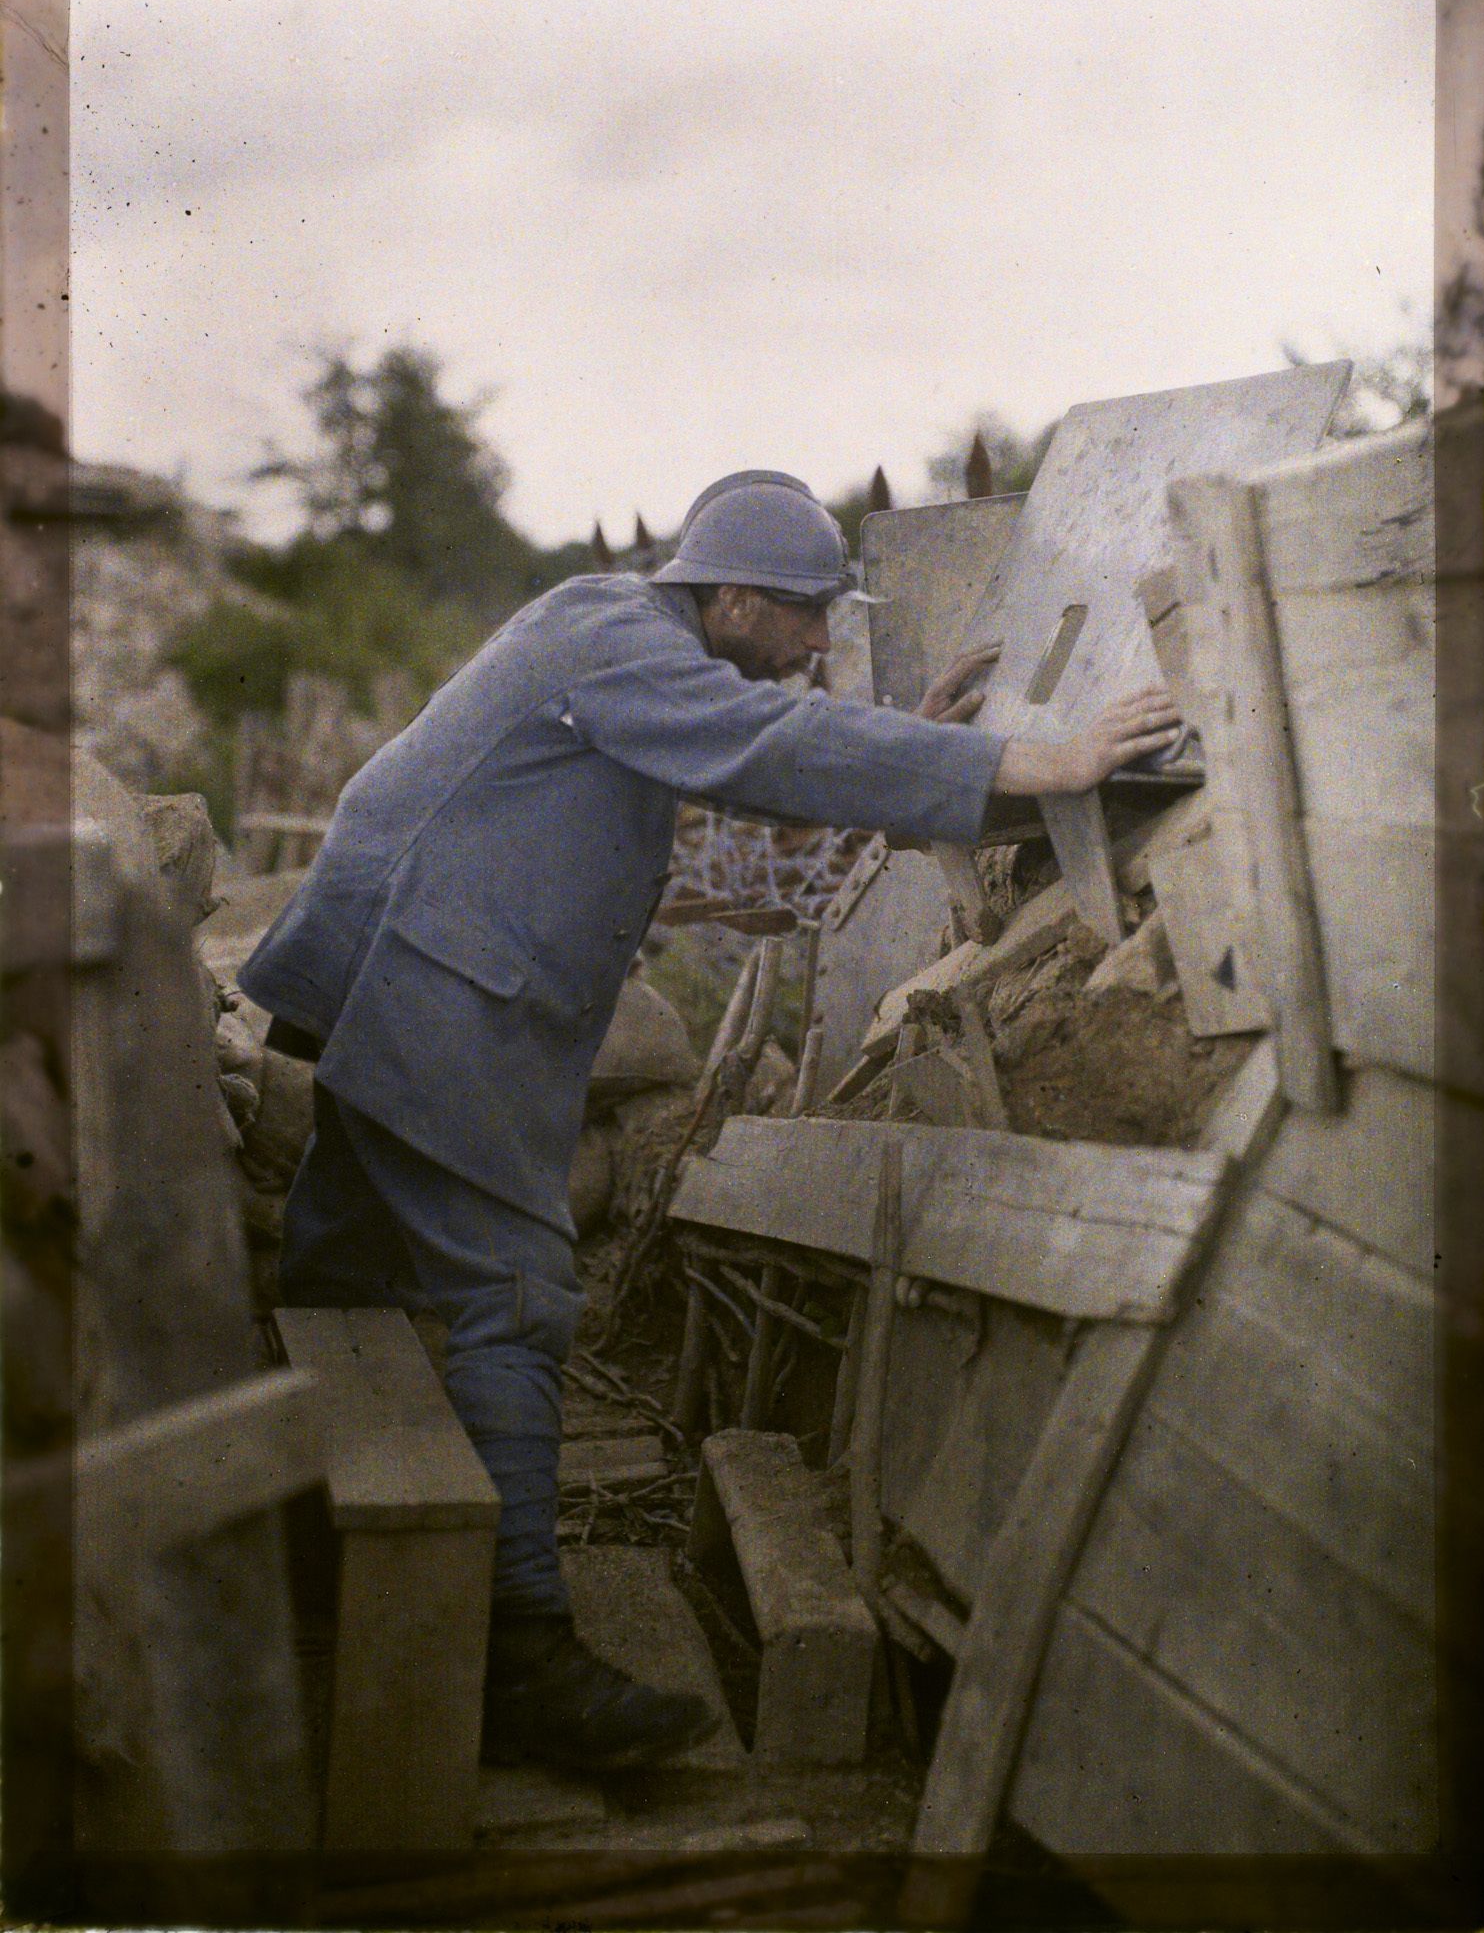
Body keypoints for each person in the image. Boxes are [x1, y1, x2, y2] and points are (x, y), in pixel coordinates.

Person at [241, 470, 1179, 1770]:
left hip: (391, 964)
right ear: (728, 596)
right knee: (510, 1292)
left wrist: (910, 744)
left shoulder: (624, 649)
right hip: (434, 982)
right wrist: (1038, 759)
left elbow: (748, 767)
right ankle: (522, 1662)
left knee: (343, 1274)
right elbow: (771, 746)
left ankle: (306, 1562)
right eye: (799, 618)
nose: (810, 646)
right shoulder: (616, 634)